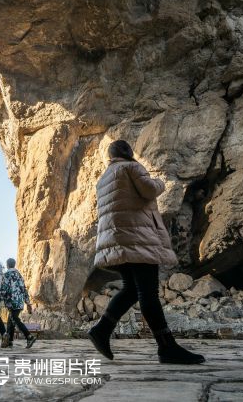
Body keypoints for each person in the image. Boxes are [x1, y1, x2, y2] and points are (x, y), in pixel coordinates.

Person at [88, 140, 205, 365]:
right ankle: (167, 347)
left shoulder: (104, 178)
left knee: (132, 290)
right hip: (137, 239)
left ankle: (102, 330)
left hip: (117, 240)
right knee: (148, 293)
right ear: (128, 153)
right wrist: (160, 182)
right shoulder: (131, 167)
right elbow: (149, 190)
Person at [0, 258, 36, 348]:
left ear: (7, 265)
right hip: (20, 302)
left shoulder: (7, 275)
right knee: (11, 320)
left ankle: (29, 336)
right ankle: (10, 341)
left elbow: (4, 289)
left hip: (11, 302)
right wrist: (28, 303)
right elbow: (24, 289)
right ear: (14, 264)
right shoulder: (19, 275)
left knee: (15, 319)